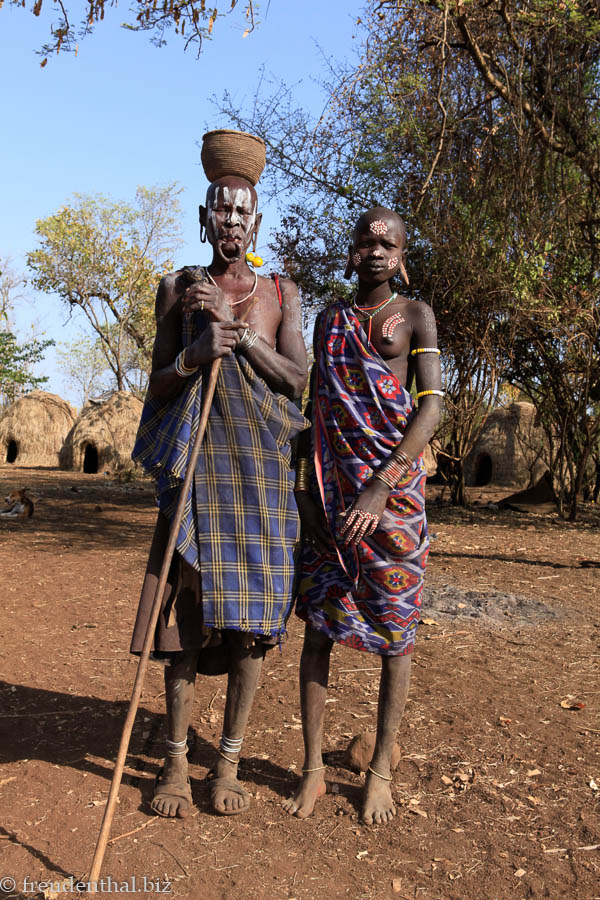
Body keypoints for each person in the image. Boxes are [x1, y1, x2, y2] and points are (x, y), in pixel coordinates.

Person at [130, 166, 308, 818]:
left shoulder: (281, 293)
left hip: (259, 477)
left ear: (255, 224)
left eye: (243, 213)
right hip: (200, 474)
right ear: (204, 219)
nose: (232, 221)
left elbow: (295, 381)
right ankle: (175, 764)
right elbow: (158, 383)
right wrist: (197, 351)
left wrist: (247, 342)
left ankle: (226, 764)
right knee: (188, 622)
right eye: (221, 211)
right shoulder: (180, 288)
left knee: (252, 630)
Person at [283, 206, 442, 825]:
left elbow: (430, 410)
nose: (378, 251)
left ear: (401, 256)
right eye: (367, 242)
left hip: (392, 498)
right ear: (352, 252)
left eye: (390, 244)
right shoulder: (331, 320)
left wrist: (379, 487)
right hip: (330, 498)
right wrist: (306, 491)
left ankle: (378, 771)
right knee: (319, 627)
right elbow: (316, 407)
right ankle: (314, 769)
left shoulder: (416, 316)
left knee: (396, 636)